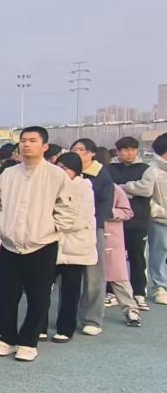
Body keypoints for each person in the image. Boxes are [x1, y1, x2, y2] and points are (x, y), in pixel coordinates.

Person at [0, 127, 72, 363]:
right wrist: (3, 227)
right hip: (10, 244)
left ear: (44, 146)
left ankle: (28, 341)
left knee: (39, 296)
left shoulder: (56, 175)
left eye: (33, 140)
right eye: (23, 140)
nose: (26, 144)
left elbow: (67, 209)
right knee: (6, 294)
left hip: (42, 245)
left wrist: (50, 228)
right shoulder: (8, 174)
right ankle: (6, 338)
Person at [70, 138, 116, 336]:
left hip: (92, 228)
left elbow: (106, 203)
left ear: (91, 153)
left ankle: (93, 318)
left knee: (94, 275)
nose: (77, 153)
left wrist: (93, 223)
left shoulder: (101, 175)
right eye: (74, 149)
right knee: (68, 276)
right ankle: (68, 317)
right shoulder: (66, 171)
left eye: (81, 150)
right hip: (67, 228)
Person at [50, 152, 98, 342]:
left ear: (76, 171)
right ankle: (39, 326)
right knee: (41, 289)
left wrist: (54, 225)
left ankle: (65, 328)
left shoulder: (84, 188)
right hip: (52, 244)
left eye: (65, 169)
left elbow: (81, 218)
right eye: (59, 168)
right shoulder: (51, 185)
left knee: (70, 291)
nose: (61, 172)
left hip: (75, 247)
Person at [122, 133, 167, 304]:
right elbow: (145, 195)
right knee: (159, 254)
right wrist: (158, 212)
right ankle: (160, 287)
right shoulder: (152, 170)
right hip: (160, 220)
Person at [109, 137, 151, 310]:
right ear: (118, 151)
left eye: (133, 149)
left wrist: (121, 188)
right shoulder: (109, 169)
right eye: (126, 150)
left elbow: (146, 190)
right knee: (112, 259)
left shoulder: (145, 169)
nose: (130, 153)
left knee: (137, 259)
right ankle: (111, 293)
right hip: (114, 222)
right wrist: (132, 190)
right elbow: (109, 190)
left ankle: (139, 293)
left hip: (138, 221)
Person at [104, 184, 142, 327]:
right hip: (87, 237)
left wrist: (109, 212)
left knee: (119, 277)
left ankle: (131, 309)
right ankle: (89, 315)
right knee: (90, 281)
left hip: (111, 239)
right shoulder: (81, 185)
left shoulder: (113, 188)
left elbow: (127, 212)